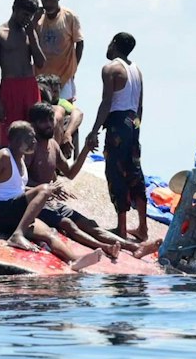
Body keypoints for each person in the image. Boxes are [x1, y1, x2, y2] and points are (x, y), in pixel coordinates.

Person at [0, 122, 106, 262]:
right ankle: (17, 235)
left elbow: (17, 189)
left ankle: (74, 260)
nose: (34, 141)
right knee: (44, 188)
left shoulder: (21, 158)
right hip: (0, 213)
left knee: (50, 233)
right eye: (30, 138)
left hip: (15, 215)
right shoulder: (4, 156)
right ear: (18, 139)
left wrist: (46, 193)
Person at [22, 102, 125, 256]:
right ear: (34, 125)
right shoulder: (30, 149)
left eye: (51, 120)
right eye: (43, 122)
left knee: (89, 224)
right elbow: (19, 186)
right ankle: (104, 247)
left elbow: (70, 173)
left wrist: (85, 149)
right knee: (67, 224)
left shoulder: (53, 146)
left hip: (50, 203)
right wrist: (47, 190)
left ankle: (134, 247)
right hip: (34, 205)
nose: (49, 125)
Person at [88, 32, 148, 242]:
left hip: (117, 122)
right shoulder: (136, 70)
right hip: (133, 122)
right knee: (135, 171)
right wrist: (135, 127)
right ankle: (142, 227)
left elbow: (107, 102)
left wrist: (94, 130)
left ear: (114, 44)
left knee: (116, 171)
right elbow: (140, 105)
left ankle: (121, 229)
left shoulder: (111, 68)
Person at [0, 0, 46, 147]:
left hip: (30, 86)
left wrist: (32, 36)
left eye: (30, 16)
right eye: (24, 14)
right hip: (10, 88)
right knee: (10, 136)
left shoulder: (30, 33)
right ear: (14, 8)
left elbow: (40, 63)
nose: (27, 19)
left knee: (34, 133)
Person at [34, 0, 85, 101]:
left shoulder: (69, 17)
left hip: (64, 77)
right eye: (45, 0)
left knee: (64, 113)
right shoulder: (37, 19)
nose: (48, 4)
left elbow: (80, 43)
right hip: (41, 79)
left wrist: (73, 69)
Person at [36, 73, 84, 153]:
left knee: (69, 120)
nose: (54, 95)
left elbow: (78, 113)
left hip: (60, 138)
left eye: (56, 91)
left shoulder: (61, 102)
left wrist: (68, 133)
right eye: (52, 91)